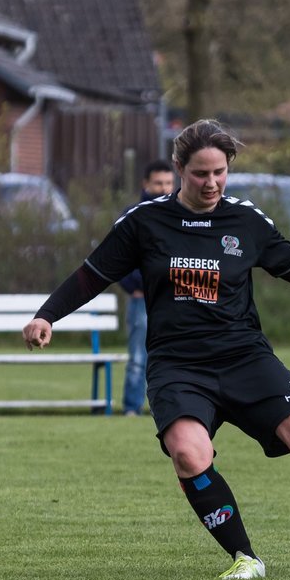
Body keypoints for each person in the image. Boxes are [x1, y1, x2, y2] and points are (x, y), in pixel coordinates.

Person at [23, 119, 290, 579]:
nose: (211, 183)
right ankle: (245, 559)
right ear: (179, 168)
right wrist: (47, 315)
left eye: (220, 172)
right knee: (190, 454)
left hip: (244, 355)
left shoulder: (245, 221)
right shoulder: (144, 223)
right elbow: (92, 274)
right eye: (200, 174)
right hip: (177, 365)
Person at [118, 159, 175, 415]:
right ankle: (132, 408)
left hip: (173, 300)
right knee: (138, 359)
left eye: (169, 183)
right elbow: (117, 260)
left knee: (172, 357)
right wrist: (135, 286)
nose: (164, 188)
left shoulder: (180, 214)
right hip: (142, 299)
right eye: (158, 183)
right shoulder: (133, 216)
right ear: (146, 184)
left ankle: (167, 408)